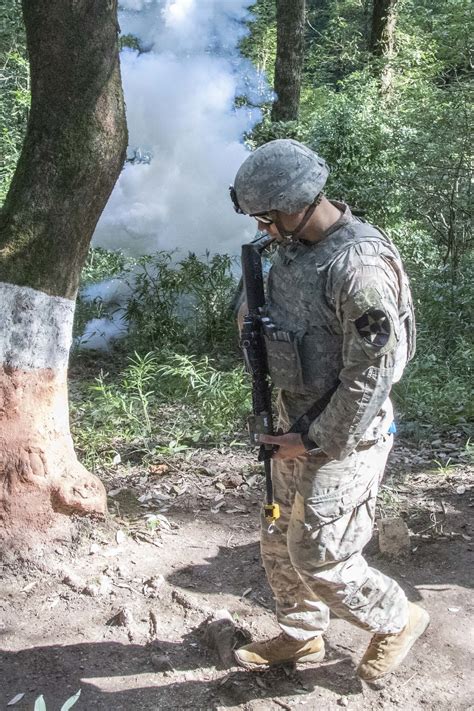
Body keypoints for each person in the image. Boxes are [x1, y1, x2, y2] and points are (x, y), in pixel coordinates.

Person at [229, 139, 429, 681]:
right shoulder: (292, 247)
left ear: (297, 204)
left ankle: (397, 619)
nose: (263, 229)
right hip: (291, 419)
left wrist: (314, 439)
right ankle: (302, 636)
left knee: (319, 552)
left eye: (268, 218)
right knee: (277, 537)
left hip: (345, 431)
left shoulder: (358, 265)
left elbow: (373, 373)